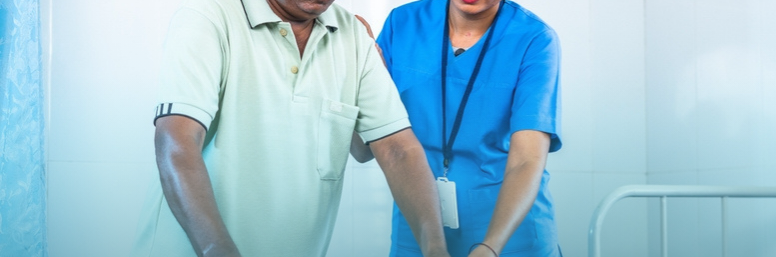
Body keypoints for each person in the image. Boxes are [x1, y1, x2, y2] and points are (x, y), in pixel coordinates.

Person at [130, 0, 450, 256]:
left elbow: (396, 149)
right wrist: (218, 250)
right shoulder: (208, 16)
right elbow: (177, 141)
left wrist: (436, 250)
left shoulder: (352, 35)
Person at [372, 0, 563, 256]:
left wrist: (490, 247)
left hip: (507, 234)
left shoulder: (534, 39)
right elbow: (366, 147)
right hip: (418, 227)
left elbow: (526, 160)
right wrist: (356, 79)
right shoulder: (403, 23)